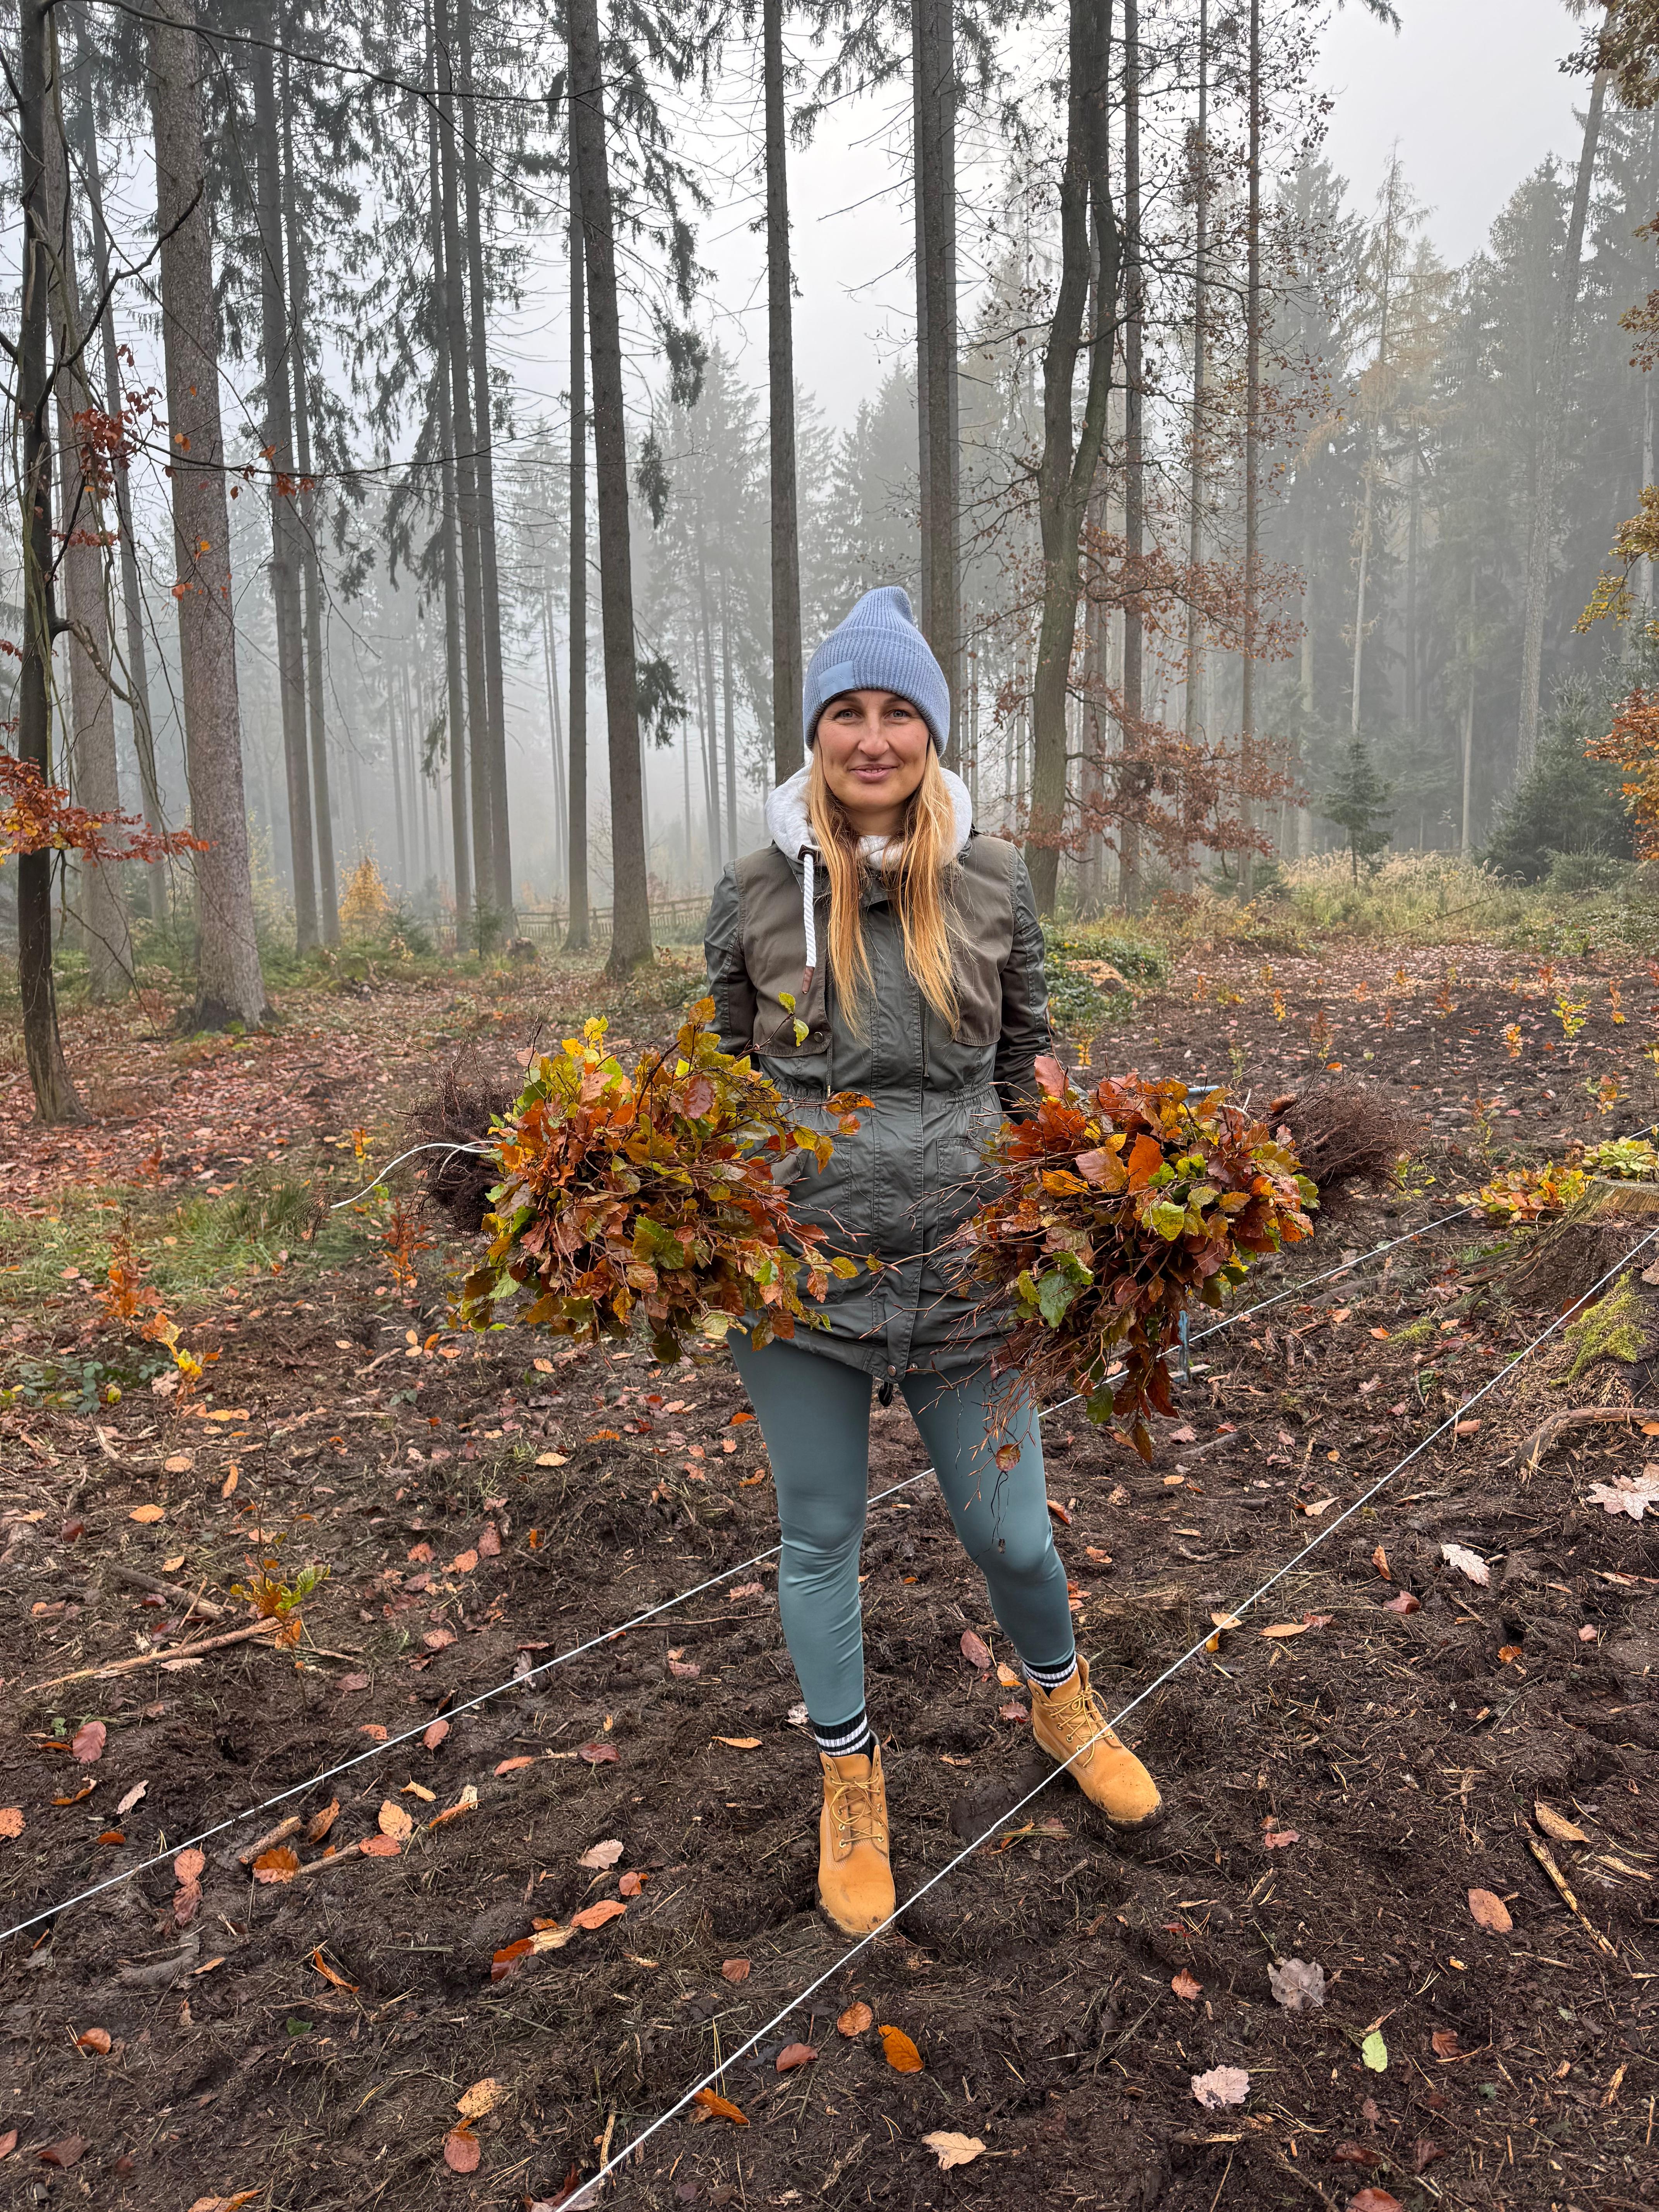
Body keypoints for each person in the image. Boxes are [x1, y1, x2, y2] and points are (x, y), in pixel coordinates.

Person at [704, 586, 1162, 1939]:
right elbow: (719, 1081)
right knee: (820, 1533)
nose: (870, 736)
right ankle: (850, 1779)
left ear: (931, 735)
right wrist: (683, 1207)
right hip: (802, 1284)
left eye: (897, 711)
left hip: (968, 1272)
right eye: (845, 711)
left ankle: (1059, 1699)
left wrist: (1101, 1198)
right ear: (814, 737)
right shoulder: (749, 895)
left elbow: (1029, 1060)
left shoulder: (993, 880)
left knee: (1011, 1531)